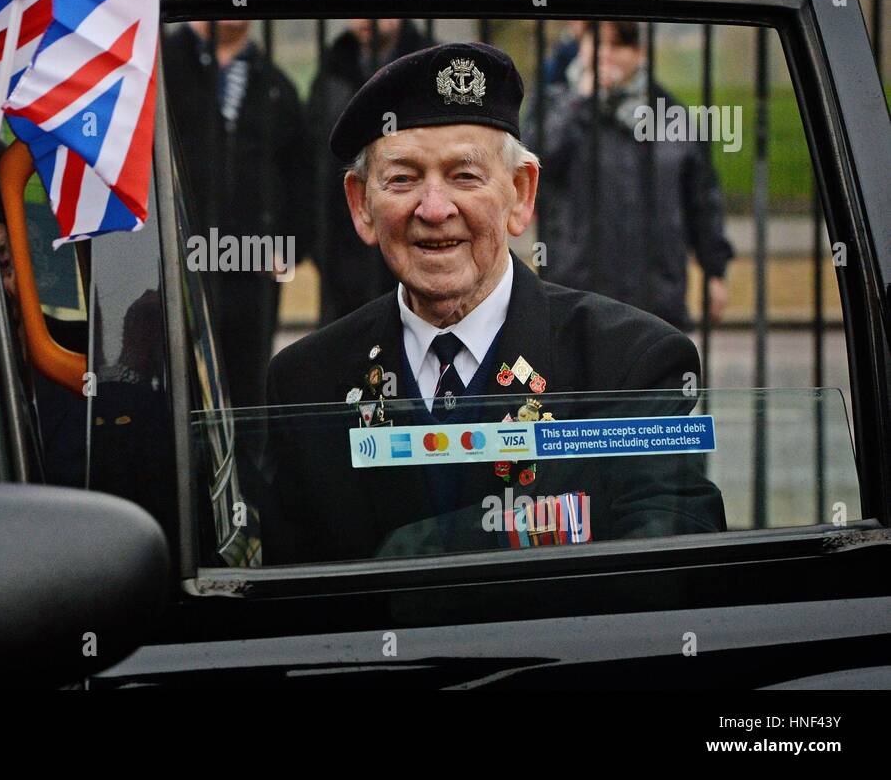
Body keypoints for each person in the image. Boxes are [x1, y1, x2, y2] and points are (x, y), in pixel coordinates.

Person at [261, 41, 726, 565]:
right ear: (360, 205)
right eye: (403, 179)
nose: (434, 210)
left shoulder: (630, 362)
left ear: (521, 195)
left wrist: (438, 547)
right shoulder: (306, 381)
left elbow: (673, 554)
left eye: (465, 176)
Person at [527, 21, 733, 330]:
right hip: (575, 291)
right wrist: (581, 102)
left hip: (655, 298)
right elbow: (536, 161)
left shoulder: (671, 115)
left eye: (619, 45)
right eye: (597, 44)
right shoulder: (557, 105)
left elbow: (701, 197)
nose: (606, 55)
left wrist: (714, 270)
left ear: (640, 52)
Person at [161, 20, 312, 409]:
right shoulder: (160, 66)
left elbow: (303, 179)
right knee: (174, 390)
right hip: (173, 266)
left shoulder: (274, 84)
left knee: (246, 398)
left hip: (251, 269)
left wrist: (287, 254)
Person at [308, 19, 429, 324]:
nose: (364, 19)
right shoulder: (331, 73)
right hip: (343, 253)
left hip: (416, 238)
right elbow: (313, 165)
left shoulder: (428, 67)